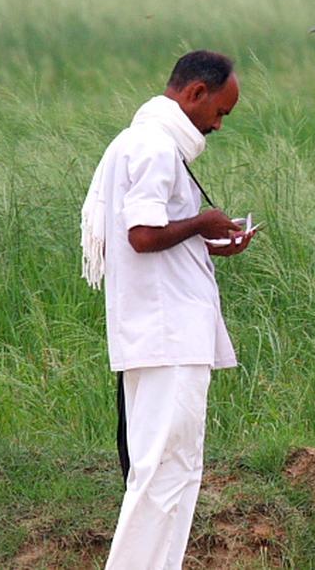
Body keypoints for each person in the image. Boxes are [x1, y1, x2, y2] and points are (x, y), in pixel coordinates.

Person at [79, 50, 256, 569]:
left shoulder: (137, 140)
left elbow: (151, 236)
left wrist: (206, 242)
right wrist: (202, 223)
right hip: (168, 336)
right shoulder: (156, 146)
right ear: (195, 93)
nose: (219, 124)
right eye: (220, 111)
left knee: (161, 472)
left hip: (154, 334)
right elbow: (142, 235)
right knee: (166, 473)